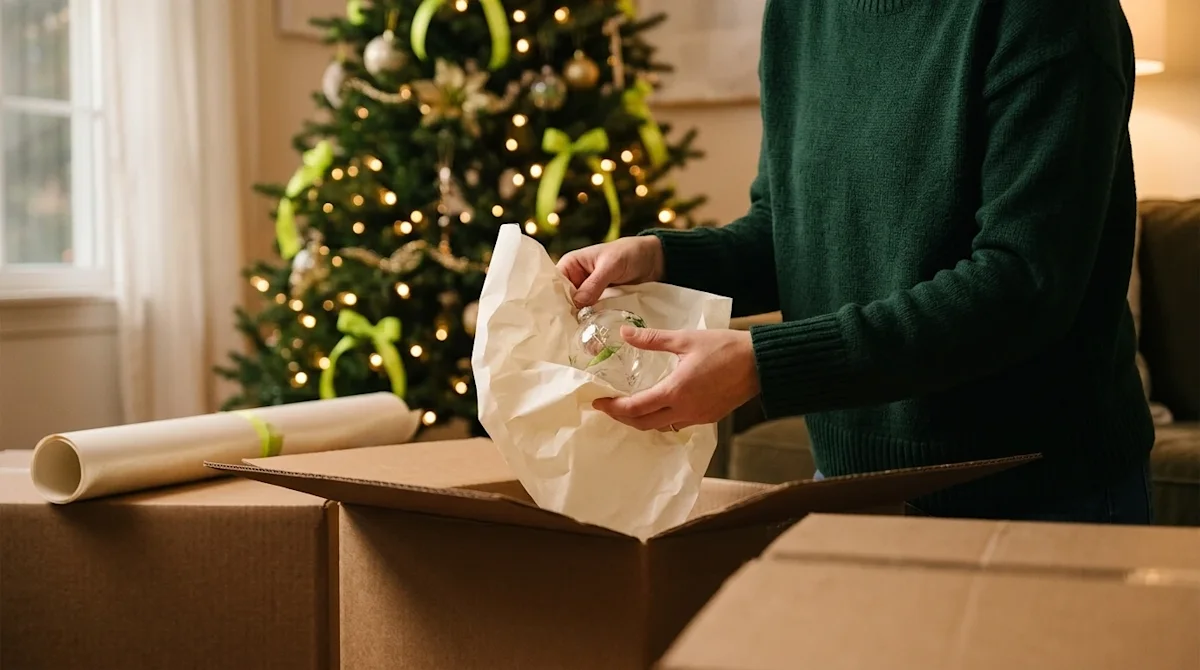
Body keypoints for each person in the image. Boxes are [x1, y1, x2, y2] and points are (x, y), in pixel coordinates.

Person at [557, 0, 1155, 524]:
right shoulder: (799, 12)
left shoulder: (1051, 13)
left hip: (1041, 497)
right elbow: (790, 230)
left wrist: (765, 366)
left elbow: (1022, 284)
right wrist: (661, 258)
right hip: (852, 489)